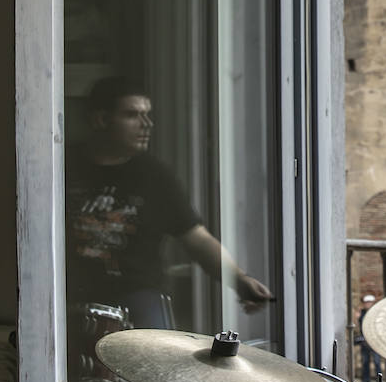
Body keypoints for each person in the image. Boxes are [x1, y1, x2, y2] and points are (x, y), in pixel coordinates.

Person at [65, 76, 272, 327]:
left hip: (138, 297)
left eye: (147, 114)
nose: (147, 124)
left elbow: (197, 239)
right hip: (70, 296)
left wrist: (239, 280)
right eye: (132, 115)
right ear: (101, 119)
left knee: (155, 361)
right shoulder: (64, 166)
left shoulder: (154, 175)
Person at [356, 293, 383, 382]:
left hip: (374, 341)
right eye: (366, 302)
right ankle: (365, 380)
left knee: (376, 361)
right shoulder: (361, 312)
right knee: (365, 361)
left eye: (369, 302)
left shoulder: (376, 313)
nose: (368, 304)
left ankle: (379, 381)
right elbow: (357, 325)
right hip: (364, 341)